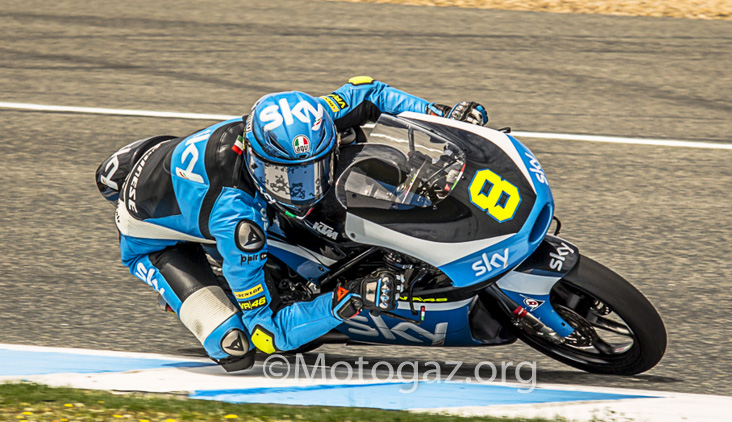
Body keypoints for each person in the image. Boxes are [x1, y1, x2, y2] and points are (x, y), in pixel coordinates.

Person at [95, 76, 488, 372]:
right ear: (255, 162)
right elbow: (269, 333)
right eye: (286, 179)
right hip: (153, 240)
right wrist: (349, 299)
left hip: (183, 171)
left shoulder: (312, 118)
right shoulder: (236, 218)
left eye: (315, 170)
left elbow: (370, 91)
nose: (306, 190)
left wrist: (443, 116)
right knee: (236, 347)